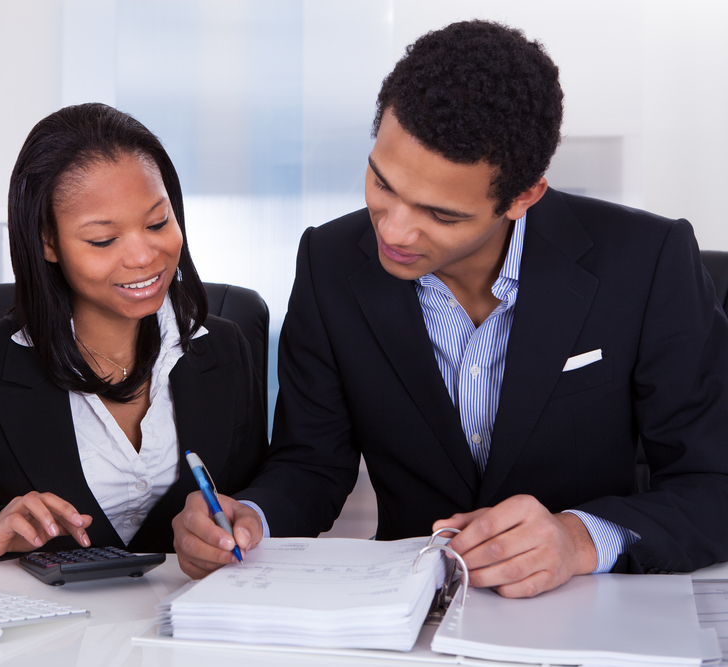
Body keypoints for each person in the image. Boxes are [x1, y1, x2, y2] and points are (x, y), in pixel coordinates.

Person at [173, 20, 728, 597]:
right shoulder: (329, 261)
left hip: (587, 604)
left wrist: (577, 540)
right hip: (407, 614)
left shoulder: (646, 262)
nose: (393, 231)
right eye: (382, 184)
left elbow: (714, 479)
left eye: (441, 215)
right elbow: (311, 465)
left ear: (523, 196)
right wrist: (248, 521)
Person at [0, 103, 266, 563]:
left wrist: (238, 522)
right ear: (47, 242)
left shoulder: (226, 349)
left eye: (157, 223)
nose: (143, 256)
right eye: (103, 240)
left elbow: (256, 495)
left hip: (192, 624)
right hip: (49, 630)